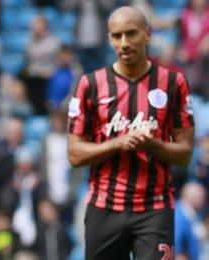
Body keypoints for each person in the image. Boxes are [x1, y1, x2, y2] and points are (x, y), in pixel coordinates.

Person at [67, 6, 195, 260]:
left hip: (154, 207)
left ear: (147, 34)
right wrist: (119, 143)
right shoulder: (89, 85)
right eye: (117, 36)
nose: (124, 43)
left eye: (131, 34)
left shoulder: (173, 83)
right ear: (109, 39)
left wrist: (151, 145)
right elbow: (75, 155)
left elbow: (184, 154)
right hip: (104, 207)